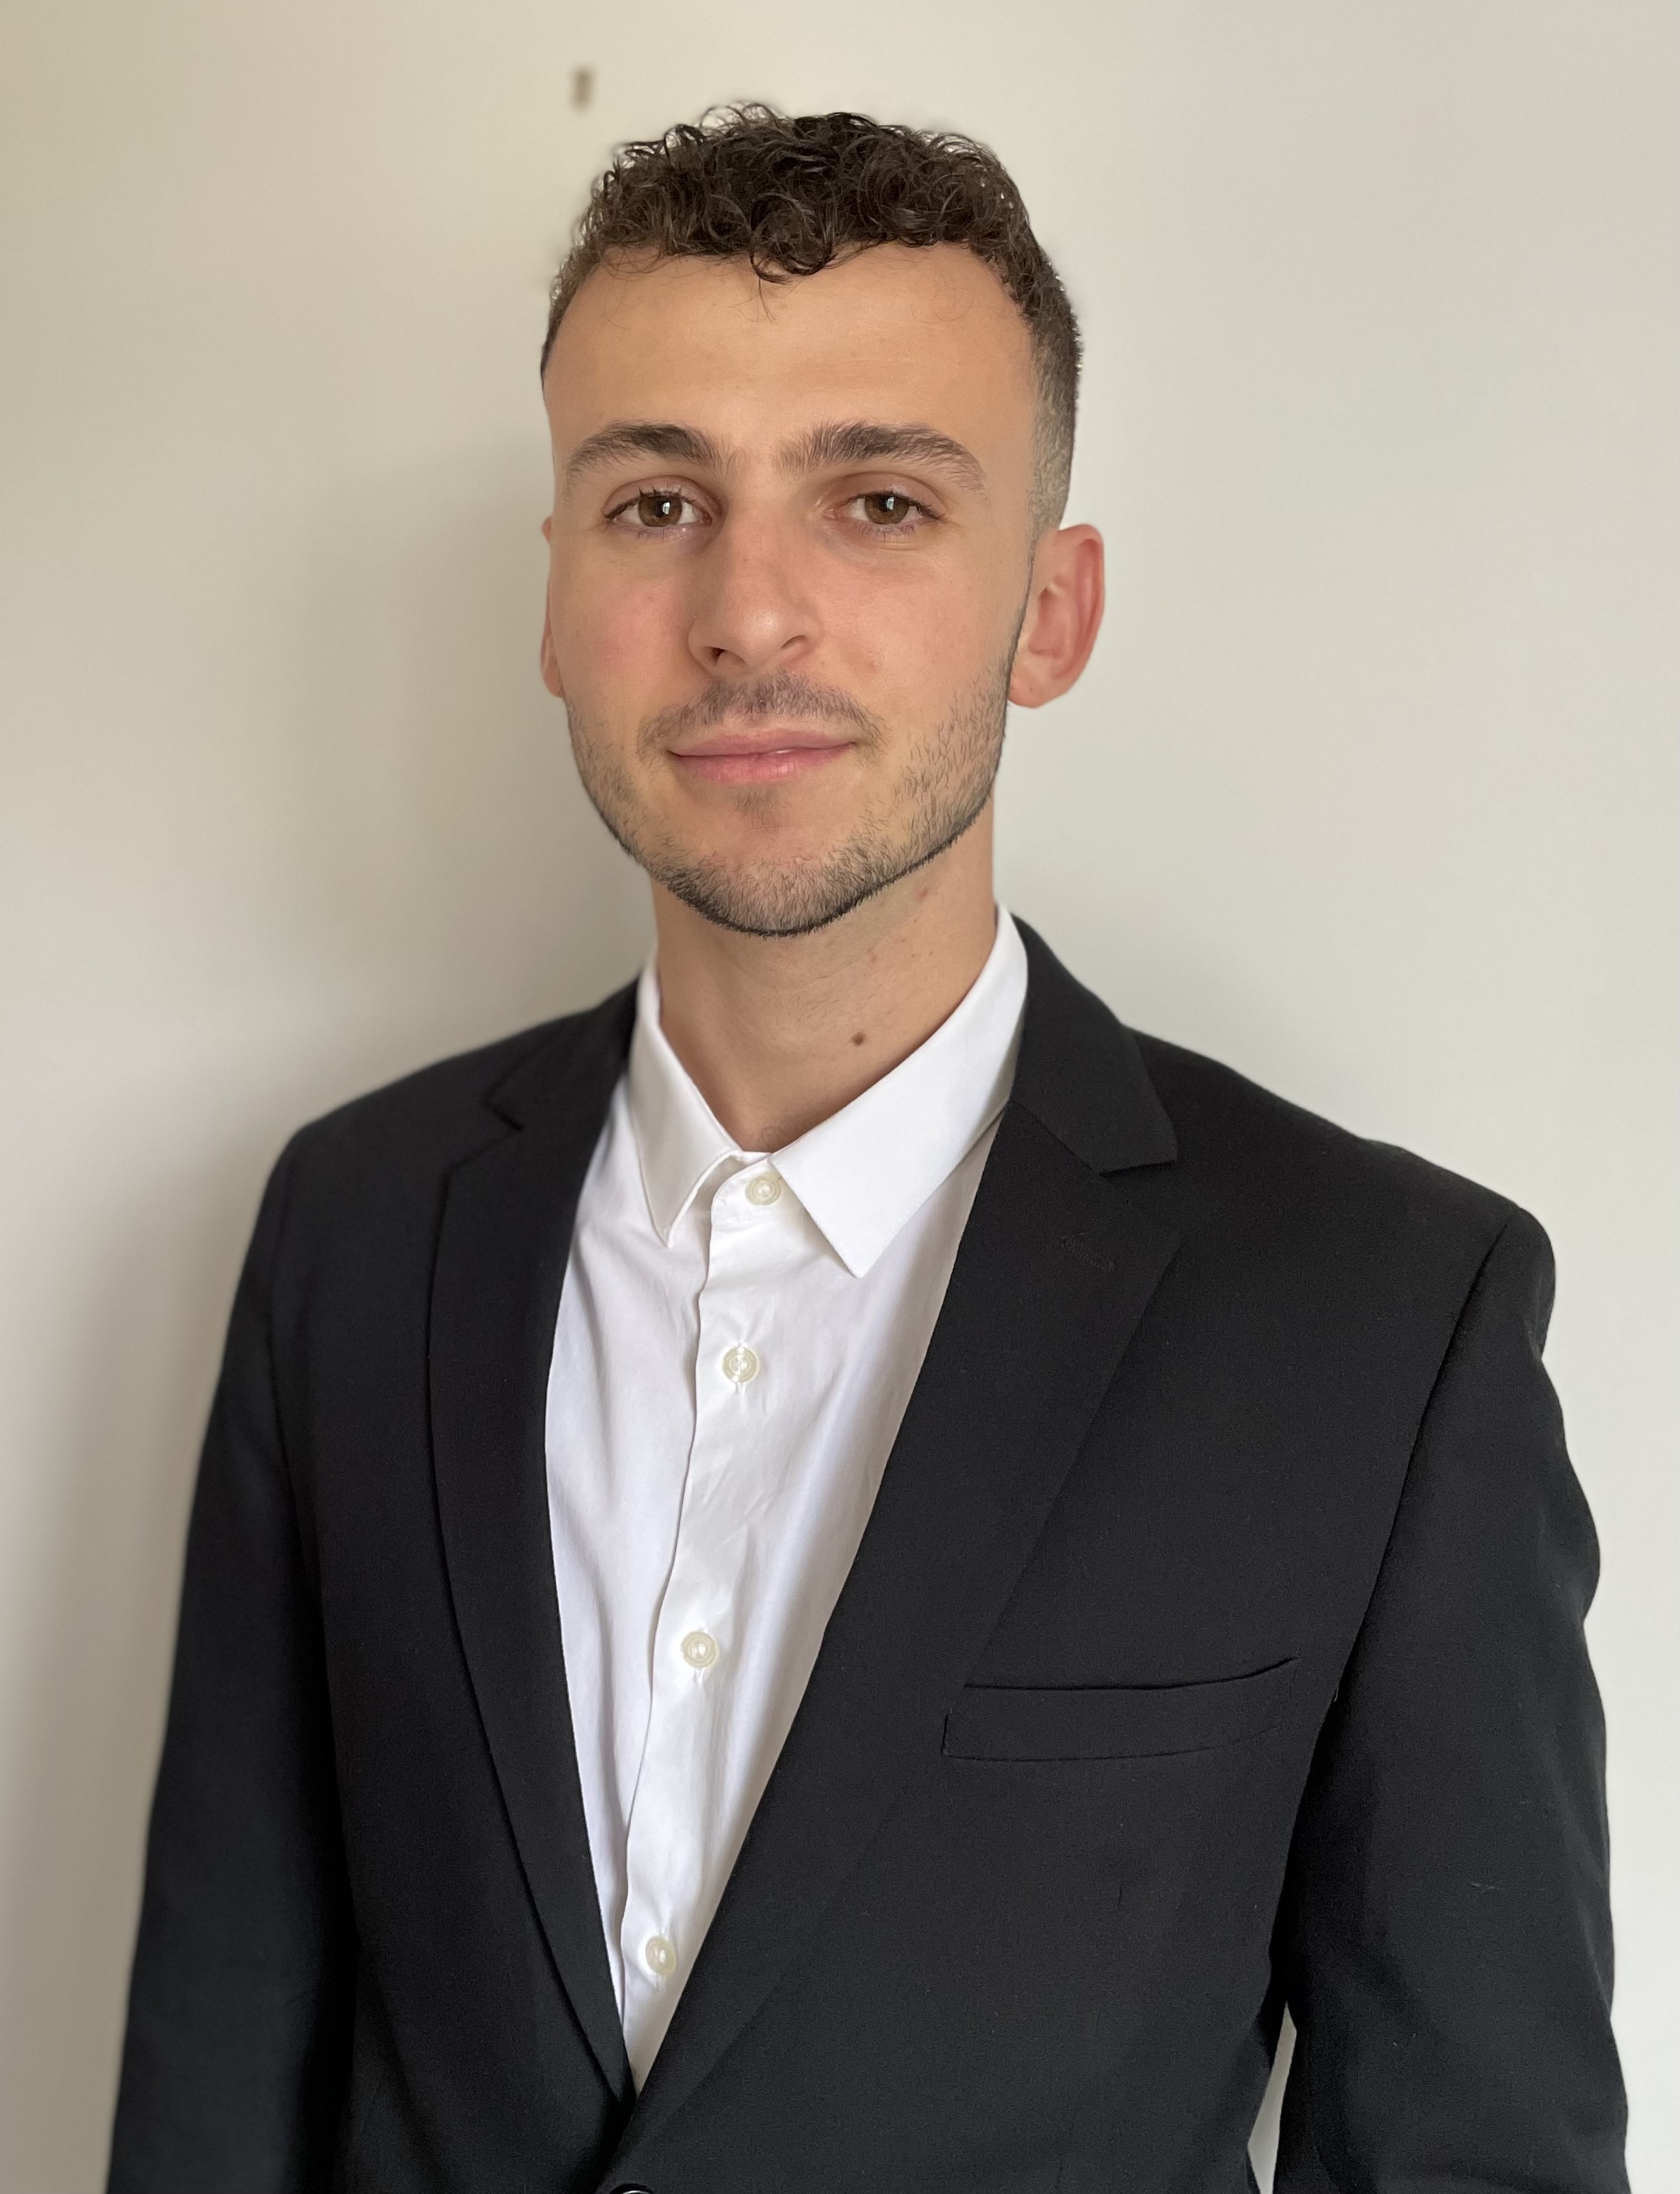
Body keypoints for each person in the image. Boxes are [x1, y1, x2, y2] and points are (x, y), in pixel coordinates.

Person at [107, 107, 1627, 2194]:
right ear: (555, 599)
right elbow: (218, 2072)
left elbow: (1477, 2149)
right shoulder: (353, 1231)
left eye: (881, 500)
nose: (749, 613)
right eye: (657, 501)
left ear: (1050, 613)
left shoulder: (1379, 1314)